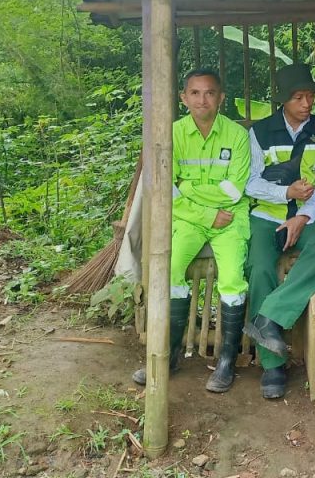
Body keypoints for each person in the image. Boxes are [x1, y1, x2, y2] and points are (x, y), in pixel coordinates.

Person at [132, 68, 252, 394]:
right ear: (184, 98)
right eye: (195, 93)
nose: (203, 100)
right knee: (171, 269)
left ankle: (226, 360)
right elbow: (166, 192)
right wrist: (203, 209)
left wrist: (187, 186)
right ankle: (170, 355)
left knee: (231, 277)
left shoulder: (237, 135)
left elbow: (234, 190)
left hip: (230, 218)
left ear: (221, 98)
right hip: (192, 218)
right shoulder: (172, 134)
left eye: (210, 93)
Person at [243, 63, 315, 400]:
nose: (307, 103)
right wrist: (285, 194)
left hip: (309, 216)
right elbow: (250, 182)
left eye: (310, 95)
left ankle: (268, 316)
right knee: (258, 268)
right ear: (283, 100)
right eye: (298, 97)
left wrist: (303, 215)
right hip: (267, 215)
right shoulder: (260, 132)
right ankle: (272, 365)